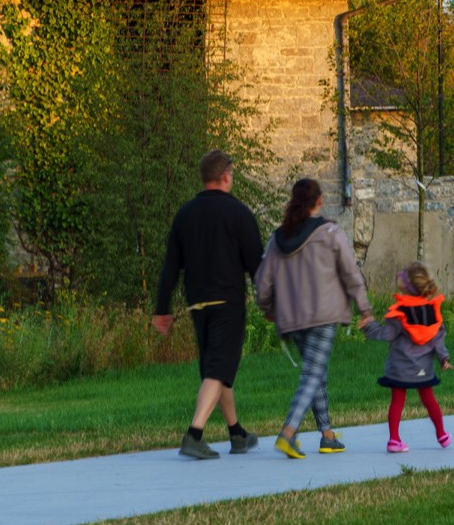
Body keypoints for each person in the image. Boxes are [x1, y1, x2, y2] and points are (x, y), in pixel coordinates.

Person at [153, 150, 264, 460]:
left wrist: (162, 309)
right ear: (226, 175)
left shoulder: (185, 214)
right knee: (218, 369)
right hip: (227, 302)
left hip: (196, 305)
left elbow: (171, 266)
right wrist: (270, 302)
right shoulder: (239, 213)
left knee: (218, 368)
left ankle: (237, 434)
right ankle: (194, 434)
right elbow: (256, 265)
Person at [255, 179, 372, 459]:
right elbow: (350, 273)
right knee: (312, 374)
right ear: (319, 200)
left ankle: (327, 435)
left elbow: (262, 280)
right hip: (323, 315)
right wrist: (365, 308)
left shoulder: (278, 238)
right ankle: (288, 432)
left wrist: (268, 307)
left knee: (315, 372)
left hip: (292, 318)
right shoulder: (330, 232)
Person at [358, 261, 453, 453]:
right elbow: (438, 339)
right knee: (429, 401)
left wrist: (368, 325)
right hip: (423, 369)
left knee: (397, 402)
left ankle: (394, 440)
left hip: (399, 368)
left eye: (402, 274)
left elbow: (387, 334)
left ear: (407, 283)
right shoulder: (431, 312)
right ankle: (441, 434)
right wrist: (443, 358)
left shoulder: (399, 312)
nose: (399, 275)